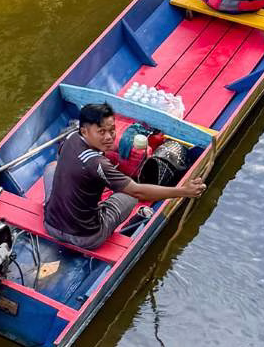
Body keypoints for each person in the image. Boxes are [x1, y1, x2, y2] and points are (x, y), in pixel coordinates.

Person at [43, 103, 207, 251]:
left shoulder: (72, 138)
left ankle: (56, 208)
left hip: (50, 224)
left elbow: (68, 159)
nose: (108, 136)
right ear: (85, 131)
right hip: (85, 237)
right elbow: (138, 192)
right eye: (101, 132)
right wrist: (183, 191)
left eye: (112, 130)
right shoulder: (98, 164)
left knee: (52, 168)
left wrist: (117, 147)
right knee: (129, 197)